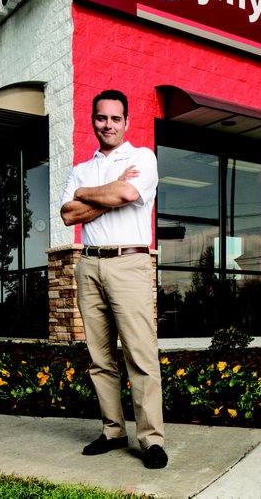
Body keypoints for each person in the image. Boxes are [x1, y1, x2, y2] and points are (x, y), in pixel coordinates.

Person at [60, 89, 167, 469]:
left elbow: (126, 192)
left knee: (140, 354)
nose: (108, 125)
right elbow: (68, 215)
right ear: (93, 120)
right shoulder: (80, 169)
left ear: (126, 122)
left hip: (129, 262)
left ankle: (151, 440)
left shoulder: (141, 157)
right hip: (89, 264)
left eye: (115, 118)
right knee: (100, 357)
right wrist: (103, 194)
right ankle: (112, 431)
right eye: (101, 117)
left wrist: (86, 196)